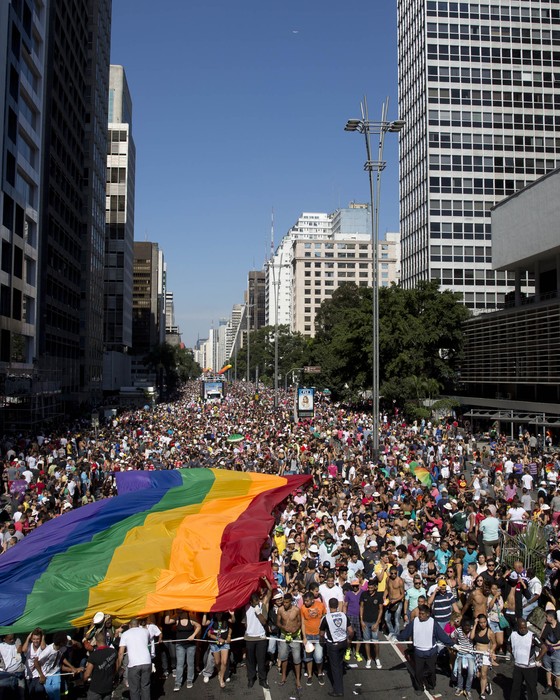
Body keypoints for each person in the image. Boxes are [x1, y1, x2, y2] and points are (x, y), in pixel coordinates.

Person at [397, 603, 453, 696]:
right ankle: (419, 687)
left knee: (431, 671)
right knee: (418, 672)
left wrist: (452, 644)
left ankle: (431, 686)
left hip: (431, 653)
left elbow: (442, 636)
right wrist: (398, 639)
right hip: (419, 652)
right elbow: (406, 632)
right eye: (419, 614)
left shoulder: (433, 623)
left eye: (422, 614)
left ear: (428, 614)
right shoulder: (415, 621)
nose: (420, 616)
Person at [35, 631, 81, 700]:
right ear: (61, 643)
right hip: (47, 675)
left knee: (57, 696)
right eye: (65, 641)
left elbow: (61, 657)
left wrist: (72, 667)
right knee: (51, 696)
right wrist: (41, 675)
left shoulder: (63, 648)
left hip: (56, 673)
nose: (66, 643)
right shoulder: (48, 651)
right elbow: (36, 661)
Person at [320, 597, 351, 698]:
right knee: (340, 663)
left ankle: (338, 690)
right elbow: (351, 631)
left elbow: (321, 633)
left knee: (335, 668)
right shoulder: (344, 615)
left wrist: (323, 637)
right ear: (337, 606)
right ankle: (339, 683)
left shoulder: (326, 618)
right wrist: (348, 639)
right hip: (343, 642)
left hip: (333, 645)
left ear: (329, 606)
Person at [244, 578, 271, 689]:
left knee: (261, 660)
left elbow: (264, 621)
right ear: (250, 601)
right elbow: (244, 622)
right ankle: (251, 678)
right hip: (249, 638)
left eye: (257, 601)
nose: (256, 603)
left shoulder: (262, 606)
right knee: (250, 661)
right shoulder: (245, 607)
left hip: (261, 638)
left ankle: (262, 680)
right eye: (254, 602)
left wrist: (258, 612)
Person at [165, 610, 200, 691]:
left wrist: (193, 635)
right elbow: (167, 622)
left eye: (180, 611)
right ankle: (178, 682)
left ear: (184, 611)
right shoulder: (176, 617)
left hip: (190, 645)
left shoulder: (191, 617)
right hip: (180, 645)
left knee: (190, 663)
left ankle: (189, 680)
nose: (178, 612)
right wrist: (167, 610)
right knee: (180, 664)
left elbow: (199, 626)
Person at [117, 619, 152, 700]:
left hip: (134, 664)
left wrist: (119, 666)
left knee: (134, 689)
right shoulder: (145, 631)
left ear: (129, 625)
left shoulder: (125, 634)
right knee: (145, 687)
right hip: (146, 661)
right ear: (138, 624)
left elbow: (121, 653)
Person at [276, 592, 302, 690]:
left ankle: (298, 680)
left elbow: (300, 622)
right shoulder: (280, 610)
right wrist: (283, 627)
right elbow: (278, 622)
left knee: (297, 659)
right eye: (284, 602)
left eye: (287, 602)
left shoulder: (296, 610)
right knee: (283, 658)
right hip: (284, 636)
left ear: (291, 602)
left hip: (295, 637)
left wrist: (296, 629)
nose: (285, 604)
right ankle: (283, 677)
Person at [509, 617, 540, 700]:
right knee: (515, 687)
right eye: (521, 628)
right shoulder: (513, 635)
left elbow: (544, 647)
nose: (523, 629)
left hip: (529, 667)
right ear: (518, 627)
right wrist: (513, 653)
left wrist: (538, 659)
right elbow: (508, 644)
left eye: (525, 627)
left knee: (531, 688)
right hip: (518, 666)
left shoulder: (532, 636)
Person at [82, 630, 117, 700]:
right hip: (108, 687)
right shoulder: (113, 652)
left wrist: (83, 680)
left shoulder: (94, 655)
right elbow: (116, 668)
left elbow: (87, 674)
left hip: (95, 688)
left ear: (96, 642)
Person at [360, 577, 384, 669]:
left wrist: (377, 623)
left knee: (375, 642)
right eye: (368, 588)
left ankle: (377, 658)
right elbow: (361, 607)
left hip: (374, 622)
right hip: (365, 622)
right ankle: (369, 658)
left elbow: (381, 609)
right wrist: (361, 620)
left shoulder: (378, 596)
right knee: (366, 641)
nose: (369, 589)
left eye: (371, 588)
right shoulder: (364, 594)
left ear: (375, 587)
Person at [537, 607, 560, 696]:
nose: (546, 618)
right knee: (548, 669)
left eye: (547, 616)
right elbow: (542, 637)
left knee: (558, 672)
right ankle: (549, 685)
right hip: (547, 651)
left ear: (551, 617)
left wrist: (553, 646)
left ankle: (558, 688)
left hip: (557, 652)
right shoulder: (546, 625)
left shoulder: (559, 626)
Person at [207, 612, 232, 689]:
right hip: (215, 644)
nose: (219, 615)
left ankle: (221, 679)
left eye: (220, 613)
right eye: (217, 613)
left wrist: (229, 636)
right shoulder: (211, 621)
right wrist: (218, 638)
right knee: (217, 662)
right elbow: (209, 634)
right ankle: (219, 671)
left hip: (225, 644)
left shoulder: (226, 620)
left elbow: (230, 627)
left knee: (224, 661)